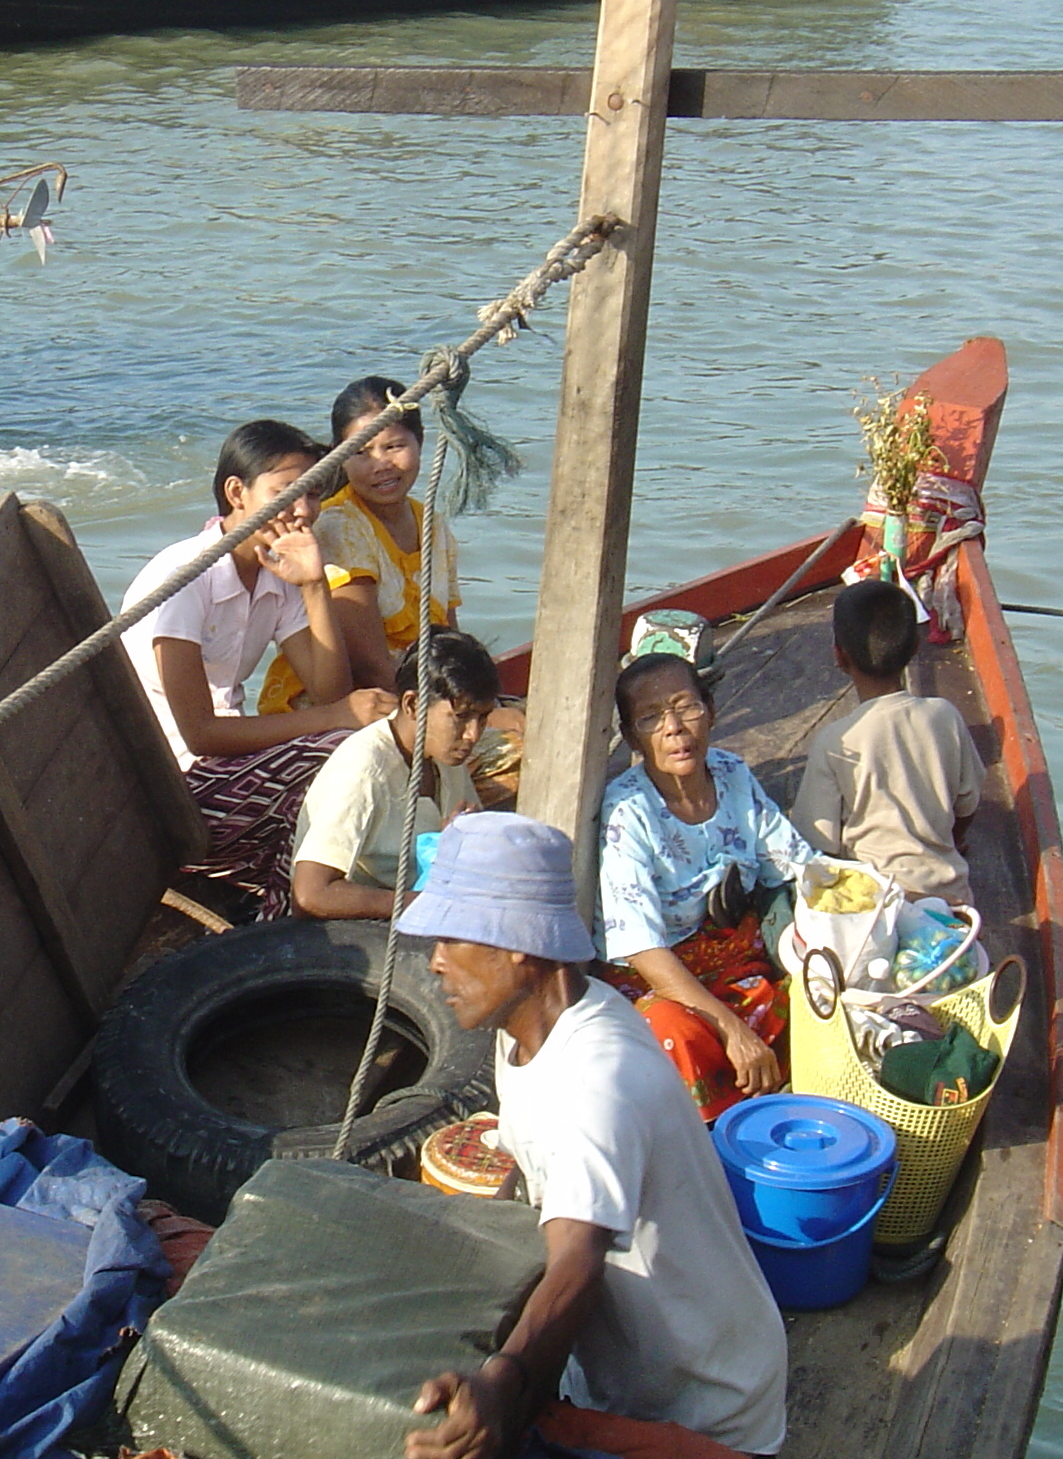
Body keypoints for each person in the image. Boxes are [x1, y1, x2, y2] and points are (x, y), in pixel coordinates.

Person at [401, 812, 789, 1459]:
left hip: (703, 1406)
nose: (435, 962)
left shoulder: (594, 1081)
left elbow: (576, 1266)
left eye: (452, 936)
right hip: (625, 1371)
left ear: (517, 943)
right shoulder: (536, 1026)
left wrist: (505, 1382)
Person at [121, 421, 397, 917]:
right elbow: (202, 734)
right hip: (172, 789)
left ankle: (287, 906)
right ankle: (290, 915)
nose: (303, 511)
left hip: (224, 769)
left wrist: (314, 586)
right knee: (339, 748)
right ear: (237, 493)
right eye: (285, 493)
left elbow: (328, 691)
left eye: (312, 494)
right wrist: (335, 718)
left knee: (360, 743)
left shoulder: (276, 572)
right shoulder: (185, 576)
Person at [595, 653, 819, 1121]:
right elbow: (641, 948)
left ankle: (780, 1099)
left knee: (815, 995)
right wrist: (733, 1029)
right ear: (634, 737)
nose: (674, 728)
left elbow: (796, 866)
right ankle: (716, 1127)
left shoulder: (731, 773)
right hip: (659, 975)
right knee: (670, 1028)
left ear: (710, 711)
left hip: (730, 953)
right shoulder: (626, 812)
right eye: (651, 717)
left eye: (686, 707)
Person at [261, 376, 461, 712]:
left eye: (394, 446)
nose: (381, 465)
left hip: (419, 702)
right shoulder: (339, 526)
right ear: (340, 457)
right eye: (361, 452)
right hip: (348, 711)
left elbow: (450, 638)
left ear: (420, 442)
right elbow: (371, 669)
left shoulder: (433, 526)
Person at [787, 578, 982, 909]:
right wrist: (953, 841)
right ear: (915, 647)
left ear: (839, 655)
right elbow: (967, 804)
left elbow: (817, 842)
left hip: (876, 904)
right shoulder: (944, 715)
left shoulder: (836, 740)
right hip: (953, 897)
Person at [290, 629, 497, 920]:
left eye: (483, 718)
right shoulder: (364, 769)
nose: (473, 734)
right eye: (461, 717)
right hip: (357, 934)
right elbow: (310, 895)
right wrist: (426, 904)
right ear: (413, 705)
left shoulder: (444, 755)